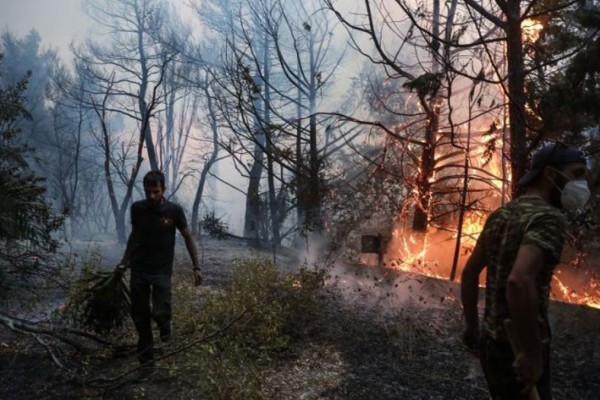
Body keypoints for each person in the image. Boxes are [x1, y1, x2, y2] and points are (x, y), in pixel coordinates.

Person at [460, 143, 589, 399]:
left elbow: (470, 273)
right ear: (551, 174)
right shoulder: (548, 218)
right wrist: (531, 353)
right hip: (518, 348)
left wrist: (473, 329)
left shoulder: (501, 214)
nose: (582, 184)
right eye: (576, 174)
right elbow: (519, 282)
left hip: (491, 343)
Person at [115, 170, 203, 369]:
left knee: (160, 311)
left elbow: (188, 237)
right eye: (148, 192)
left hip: (162, 270)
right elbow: (134, 235)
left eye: (156, 191)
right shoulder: (137, 209)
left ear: (163, 189)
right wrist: (124, 261)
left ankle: (165, 326)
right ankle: (147, 362)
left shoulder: (174, 211)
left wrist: (196, 266)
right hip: (139, 269)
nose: (152, 196)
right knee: (140, 317)